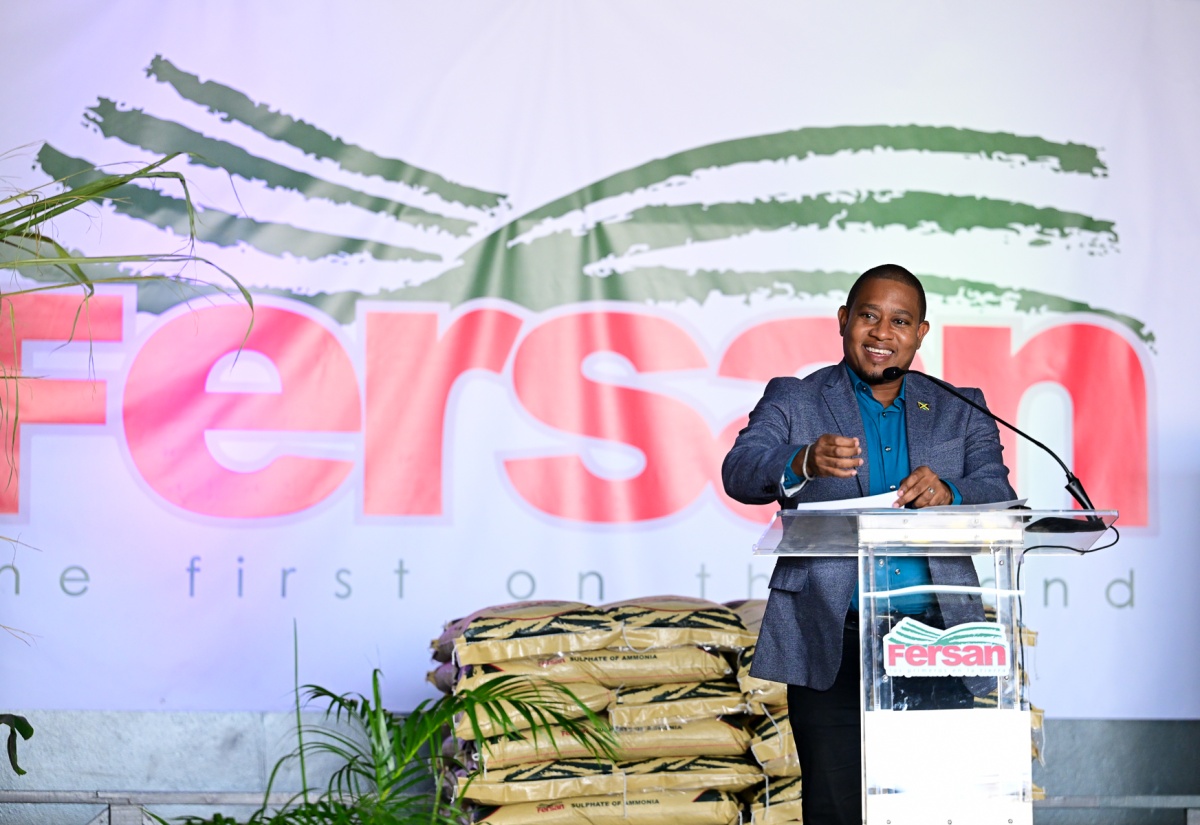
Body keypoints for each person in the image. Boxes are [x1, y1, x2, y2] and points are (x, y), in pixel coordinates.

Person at [721, 264, 1016, 825]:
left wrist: (950, 491)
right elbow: (739, 469)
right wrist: (801, 460)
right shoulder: (795, 398)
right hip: (836, 635)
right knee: (837, 810)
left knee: (934, 809)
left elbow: (997, 489)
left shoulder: (962, 407)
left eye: (900, 321)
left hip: (937, 639)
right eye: (870, 316)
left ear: (921, 333)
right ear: (843, 321)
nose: (883, 333)